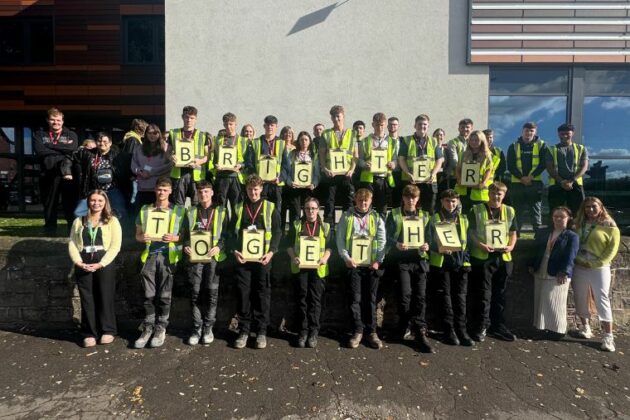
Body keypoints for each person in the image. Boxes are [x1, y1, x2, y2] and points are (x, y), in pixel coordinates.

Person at [229, 175, 282, 349]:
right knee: (243, 295)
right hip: (243, 260)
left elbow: (277, 233)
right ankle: (244, 331)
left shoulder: (270, 207)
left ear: (261, 189)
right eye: (250, 189)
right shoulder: (238, 208)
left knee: (262, 295)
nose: (253, 192)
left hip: (263, 260)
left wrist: (271, 253)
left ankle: (261, 332)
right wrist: (234, 251)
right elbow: (231, 233)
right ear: (246, 189)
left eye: (256, 189)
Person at [134, 177, 186, 349]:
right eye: (159, 189)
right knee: (148, 294)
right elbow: (138, 235)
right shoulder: (145, 210)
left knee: (164, 295)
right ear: (155, 190)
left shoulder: (179, 211)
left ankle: (161, 327)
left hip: (168, 257)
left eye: (165, 190)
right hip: (149, 256)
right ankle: (148, 327)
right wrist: (142, 238)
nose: (161, 192)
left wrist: (175, 237)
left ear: (170, 191)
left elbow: (186, 236)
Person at [68, 190, 122, 347]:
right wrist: (78, 262)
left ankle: (108, 330)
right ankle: (89, 332)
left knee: (105, 296)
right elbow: (72, 242)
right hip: (83, 261)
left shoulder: (112, 221)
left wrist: (101, 263)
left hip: (103, 261)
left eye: (100, 200)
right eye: (93, 200)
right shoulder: (79, 221)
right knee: (87, 298)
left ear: (105, 202)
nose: (96, 203)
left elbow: (115, 246)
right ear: (88, 202)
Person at [336, 188, 386, 349]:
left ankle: (372, 332)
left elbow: (382, 241)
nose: (363, 203)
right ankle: (357, 330)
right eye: (360, 201)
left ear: (371, 201)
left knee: (371, 300)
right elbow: (340, 240)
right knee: (355, 299)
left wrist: (378, 260)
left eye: (366, 201)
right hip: (354, 265)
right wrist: (346, 258)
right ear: (355, 201)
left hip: (372, 265)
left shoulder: (377, 217)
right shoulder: (347, 217)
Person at [385, 185, 433, 353]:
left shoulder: (425, 216)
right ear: (403, 198)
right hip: (402, 260)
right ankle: (404, 326)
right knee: (405, 296)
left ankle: (419, 330)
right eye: (408, 197)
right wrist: (396, 243)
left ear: (417, 199)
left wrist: (428, 244)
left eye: (414, 198)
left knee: (420, 296)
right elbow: (386, 235)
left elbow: (431, 237)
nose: (411, 200)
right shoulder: (395, 214)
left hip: (420, 260)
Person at [468, 181, 518, 342]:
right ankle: (481, 326)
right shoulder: (476, 210)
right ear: (488, 193)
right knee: (483, 294)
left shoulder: (509, 211)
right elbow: (471, 232)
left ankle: (498, 326)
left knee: (501, 294)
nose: (496, 196)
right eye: (493, 193)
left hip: (503, 258)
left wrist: (511, 246)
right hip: (483, 258)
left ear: (504, 195)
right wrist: (480, 245)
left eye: (499, 194)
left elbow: (513, 232)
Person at [182, 181, 228, 346]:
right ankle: (196, 328)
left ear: (212, 193)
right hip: (195, 259)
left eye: (206, 192)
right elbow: (185, 233)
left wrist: (219, 247)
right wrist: (186, 245)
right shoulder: (191, 211)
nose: (203, 195)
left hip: (213, 259)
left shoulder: (221, 211)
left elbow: (227, 235)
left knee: (211, 294)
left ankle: (208, 327)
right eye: (200, 192)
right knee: (195, 293)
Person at [572, 197, 620, 352]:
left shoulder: (610, 226)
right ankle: (585, 327)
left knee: (602, 298)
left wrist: (595, 263)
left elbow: (611, 250)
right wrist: (577, 260)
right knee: (580, 296)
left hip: (599, 267)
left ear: (601, 207)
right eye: (587, 207)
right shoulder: (579, 223)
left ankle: (608, 337)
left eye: (594, 206)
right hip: (579, 264)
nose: (590, 210)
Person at [429, 189, 474, 347]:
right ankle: (449, 330)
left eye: (454, 201)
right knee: (445, 298)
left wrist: (466, 261)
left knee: (460, 298)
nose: (451, 204)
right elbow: (428, 241)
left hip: (460, 264)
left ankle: (462, 330)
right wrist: (438, 248)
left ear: (458, 202)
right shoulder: (434, 218)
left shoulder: (463, 219)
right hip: (442, 263)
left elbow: (468, 243)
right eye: (448, 201)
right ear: (442, 201)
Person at [286, 197, 332, 348]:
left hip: (318, 269)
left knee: (315, 301)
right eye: (307, 208)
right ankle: (303, 331)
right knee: (302, 299)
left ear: (318, 210)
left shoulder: (325, 226)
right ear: (303, 210)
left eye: (313, 208)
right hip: (301, 269)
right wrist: (294, 257)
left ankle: (313, 332)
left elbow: (330, 247)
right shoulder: (297, 224)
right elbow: (288, 245)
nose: (310, 211)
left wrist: (325, 258)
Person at [529, 206, 579, 340]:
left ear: (568, 219)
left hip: (558, 272)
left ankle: (558, 330)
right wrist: (531, 265)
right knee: (540, 299)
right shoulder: (544, 232)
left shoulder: (571, 236)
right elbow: (535, 250)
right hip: (541, 268)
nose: (558, 219)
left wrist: (565, 272)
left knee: (554, 301)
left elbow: (571, 256)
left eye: (561, 217)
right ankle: (542, 327)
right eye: (555, 216)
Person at [33, 107, 79, 235]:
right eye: (53, 120)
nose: (56, 123)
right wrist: (62, 148)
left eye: (58, 120)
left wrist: (50, 146)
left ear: (63, 121)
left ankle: (72, 232)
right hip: (47, 175)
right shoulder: (40, 135)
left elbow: (72, 149)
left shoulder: (71, 134)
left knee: (69, 204)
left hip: (67, 175)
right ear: (48, 120)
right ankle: (49, 231)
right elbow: (40, 151)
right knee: (49, 205)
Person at [74, 132, 129, 220]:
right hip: (93, 190)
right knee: (79, 212)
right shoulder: (88, 154)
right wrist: (67, 171)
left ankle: (118, 232)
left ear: (110, 143)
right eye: (99, 141)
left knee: (120, 212)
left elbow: (130, 164)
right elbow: (72, 157)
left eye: (105, 141)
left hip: (112, 190)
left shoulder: (118, 155)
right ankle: (86, 231)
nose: (102, 143)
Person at [318, 105, 358, 224]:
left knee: (349, 203)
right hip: (332, 175)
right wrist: (325, 168)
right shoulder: (326, 133)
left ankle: (347, 226)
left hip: (346, 174)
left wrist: (351, 170)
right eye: (333, 117)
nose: (336, 119)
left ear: (343, 116)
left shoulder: (352, 133)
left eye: (338, 116)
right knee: (329, 203)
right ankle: (329, 231)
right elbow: (321, 154)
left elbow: (355, 155)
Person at [398, 114, 443, 213]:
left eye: (425, 124)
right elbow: (401, 159)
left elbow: (439, 160)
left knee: (429, 210)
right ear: (415, 125)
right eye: (419, 124)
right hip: (411, 180)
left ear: (428, 126)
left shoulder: (434, 141)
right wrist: (407, 173)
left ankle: (427, 228)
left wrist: (434, 173)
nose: (422, 126)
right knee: (409, 209)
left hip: (429, 181)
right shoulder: (406, 140)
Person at [506, 122, 546, 233]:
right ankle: (515, 236)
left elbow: (543, 164)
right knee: (517, 211)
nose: (529, 133)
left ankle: (538, 235)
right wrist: (522, 178)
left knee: (535, 211)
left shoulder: (542, 145)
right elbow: (510, 165)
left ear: (535, 132)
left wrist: (530, 177)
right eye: (526, 130)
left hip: (535, 183)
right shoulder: (513, 146)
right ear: (522, 131)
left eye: (531, 131)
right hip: (517, 183)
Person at [167, 105, 210, 206]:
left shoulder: (203, 135)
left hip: (196, 174)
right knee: (178, 205)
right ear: (182, 117)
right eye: (187, 117)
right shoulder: (173, 133)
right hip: (178, 174)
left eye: (192, 118)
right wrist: (170, 157)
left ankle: (195, 222)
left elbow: (207, 156)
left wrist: (199, 161)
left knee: (196, 204)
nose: (189, 120)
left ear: (196, 119)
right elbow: (167, 152)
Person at [357, 112, 397, 218]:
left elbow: (395, 160)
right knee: (366, 208)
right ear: (372, 124)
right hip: (368, 179)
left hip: (384, 179)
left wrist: (393, 164)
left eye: (382, 125)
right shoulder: (365, 141)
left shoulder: (392, 142)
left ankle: (381, 233)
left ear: (385, 125)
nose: (379, 128)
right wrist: (364, 164)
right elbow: (359, 160)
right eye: (377, 125)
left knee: (382, 209)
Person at [546, 123, 588, 217]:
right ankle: (555, 231)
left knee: (578, 213)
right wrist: (562, 181)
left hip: (575, 185)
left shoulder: (581, 148)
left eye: (567, 133)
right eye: (562, 133)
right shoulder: (551, 149)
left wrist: (571, 181)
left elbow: (584, 167)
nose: (565, 135)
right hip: (556, 184)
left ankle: (575, 231)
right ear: (558, 134)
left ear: (572, 133)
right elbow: (549, 167)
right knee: (555, 213)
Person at [211, 113, 248, 218]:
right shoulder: (217, 140)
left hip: (236, 177)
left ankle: (234, 232)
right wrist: (215, 165)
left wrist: (241, 165)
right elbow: (213, 159)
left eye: (231, 124)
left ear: (236, 124)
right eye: (226, 124)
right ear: (223, 124)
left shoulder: (243, 141)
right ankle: (223, 231)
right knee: (221, 206)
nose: (228, 127)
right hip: (221, 177)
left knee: (236, 206)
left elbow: (248, 160)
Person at [282, 131, 320, 233]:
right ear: (298, 141)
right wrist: (290, 182)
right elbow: (288, 171)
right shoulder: (293, 154)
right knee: (295, 213)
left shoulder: (313, 155)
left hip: (308, 189)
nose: (304, 142)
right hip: (295, 189)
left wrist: (314, 184)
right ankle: (293, 235)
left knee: (309, 212)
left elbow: (316, 173)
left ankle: (307, 233)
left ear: (309, 141)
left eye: (306, 139)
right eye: (301, 139)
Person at [131, 124, 173, 213]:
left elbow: (169, 165)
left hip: (159, 189)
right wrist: (140, 171)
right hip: (142, 188)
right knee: (142, 214)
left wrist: (152, 172)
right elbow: (133, 165)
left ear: (159, 134)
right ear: (145, 134)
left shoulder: (166, 148)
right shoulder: (139, 148)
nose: (152, 135)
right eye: (149, 133)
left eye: (155, 133)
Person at [250, 115, 288, 213]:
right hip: (260, 184)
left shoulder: (281, 143)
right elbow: (249, 163)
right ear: (264, 126)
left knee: (276, 211)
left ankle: (276, 229)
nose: (270, 127)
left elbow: (286, 165)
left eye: (272, 125)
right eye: (268, 125)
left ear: (276, 127)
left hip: (275, 184)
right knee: (260, 210)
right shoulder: (256, 142)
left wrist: (280, 178)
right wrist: (256, 179)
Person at [455, 130, 493, 212]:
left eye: (476, 140)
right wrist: (459, 180)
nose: (473, 142)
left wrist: (483, 183)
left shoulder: (487, 155)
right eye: (471, 140)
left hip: (479, 191)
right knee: (465, 214)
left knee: (479, 215)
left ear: (482, 141)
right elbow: (458, 169)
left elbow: (489, 170)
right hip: (465, 190)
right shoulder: (463, 154)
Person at [447, 118, 473, 190]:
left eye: (467, 127)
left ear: (472, 128)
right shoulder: (453, 142)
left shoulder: (475, 142)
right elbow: (454, 161)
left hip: (472, 176)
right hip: (456, 177)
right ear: (458, 129)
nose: (465, 129)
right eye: (462, 127)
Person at [388, 116, 404, 206]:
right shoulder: (383, 140)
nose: (392, 126)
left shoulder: (403, 141)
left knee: (397, 202)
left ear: (398, 126)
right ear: (387, 126)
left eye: (395, 124)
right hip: (387, 173)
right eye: (390, 124)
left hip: (399, 174)